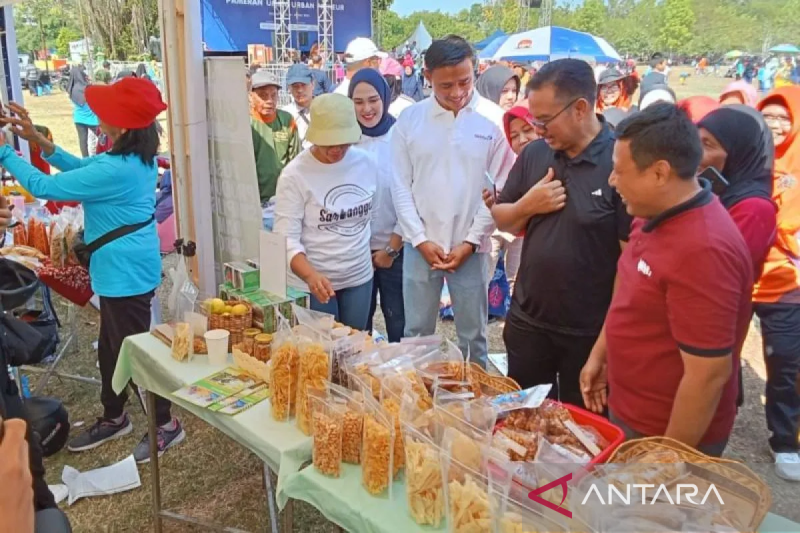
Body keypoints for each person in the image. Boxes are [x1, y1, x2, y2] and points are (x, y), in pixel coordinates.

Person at [0, 79, 183, 463]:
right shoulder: (132, 158)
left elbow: (42, 185)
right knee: (113, 349)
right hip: (125, 269)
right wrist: (39, 141)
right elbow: (83, 167)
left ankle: (166, 425)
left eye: (106, 112)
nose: (97, 115)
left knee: (135, 352)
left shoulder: (118, 168)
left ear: (122, 126)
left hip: (125, 275)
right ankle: (115, 415)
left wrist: (4, 151)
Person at [581, 103, 753, 457]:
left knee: (649, 510)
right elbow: (630, 289)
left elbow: (707, 375)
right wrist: (602, 352)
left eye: (619, 171)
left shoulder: (704, 249)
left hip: (666, 431)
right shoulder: (649, 212)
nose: (612, 181)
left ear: (659, 173)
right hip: (628, 409)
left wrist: (666, 458)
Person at [489, 59, 631, 405]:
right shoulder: (537, 154)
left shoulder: (620, 163)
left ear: (581, 108)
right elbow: (502, 217)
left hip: (587, 333)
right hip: (528, 322)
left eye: (545, 119)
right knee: (522, 421)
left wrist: (610, 341)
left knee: (580, 433)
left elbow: (629, 262)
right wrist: (528, 206)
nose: (537, 128)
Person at [391, 35, 515, 365]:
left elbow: (499, 187)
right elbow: (400, 186)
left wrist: (472, 241)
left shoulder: (492, 121)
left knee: (474, 334)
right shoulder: (410, 120)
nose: (458, 93)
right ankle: (416, 395)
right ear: (427, 76)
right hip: (420, 247)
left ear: (474, 71)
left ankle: (475, 398)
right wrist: (418, 239)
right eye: (446, 86)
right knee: (417, 330)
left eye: (465, 81)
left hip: (471, 249)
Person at [273, 94, 378, 329]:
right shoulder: (295, 175)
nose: (337, 149)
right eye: (329, 143)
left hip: (358, 275)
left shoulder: (367, 163)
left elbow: (375, 213)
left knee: (355, 347)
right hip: (313, 280)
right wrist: (310, 275)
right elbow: (286, 238)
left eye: (344, 142)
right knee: (320, 353)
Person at [754, 87, 800, 480]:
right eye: (767, 116)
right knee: (718, 359)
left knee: (784, 359)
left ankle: (785, 439)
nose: (775, 124)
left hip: (785, 280)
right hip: (740, 275)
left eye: (783, 116)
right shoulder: (748, 155)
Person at [348, 69, 405, 342]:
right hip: (356, 253)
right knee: (357, 330)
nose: (367, 109)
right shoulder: (344, 140)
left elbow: (412, 198)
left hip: (397, 249)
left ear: (385, 97)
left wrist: (392, 249)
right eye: (358, 102)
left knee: (399, 324)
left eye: (373, 100)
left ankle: (402, 383)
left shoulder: (401, 137)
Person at [697, 106, 776, 276]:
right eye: (694, 142)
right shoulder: (707, 189)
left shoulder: (754, 208)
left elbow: (718, 272)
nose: (694, 153)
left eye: (707, 145)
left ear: (739, 152)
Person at [250, 70, 301, 203]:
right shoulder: (246, 123)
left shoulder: (287, 120)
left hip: (282, 197)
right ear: (251, 96)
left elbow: (296, 161)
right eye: (263, 96)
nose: (270, 101)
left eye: (274, 95)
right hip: (253, 198)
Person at [67, 65, 100, 158]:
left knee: (82, 141)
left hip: (78, 118)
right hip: (92, 118)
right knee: (102, 138)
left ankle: (85, 159)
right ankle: (101, 155)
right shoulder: (87, 87)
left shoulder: (71, 88)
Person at [282, 63, 315, 149]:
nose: (300, 90)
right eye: (295, 86)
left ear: (312, 84)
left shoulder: (325, 110)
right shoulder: (285, 115)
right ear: (289, 88)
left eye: (303, 85)